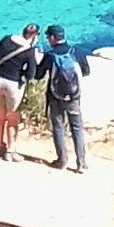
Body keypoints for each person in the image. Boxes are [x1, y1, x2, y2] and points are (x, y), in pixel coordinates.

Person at [0, 25, 37, 158]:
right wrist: (21, 73)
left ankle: (0, 145)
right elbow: (31, 74)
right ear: (34, 36)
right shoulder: (29, 51)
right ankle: (11, 151)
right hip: (13, 85)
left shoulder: (7, 39)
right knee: (12, 119)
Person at [41, 25, 87, 172]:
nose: (48, 40)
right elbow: (86, 71)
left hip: (55, 96)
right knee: (77, 128)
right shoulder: (75, 51)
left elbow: (39, 74)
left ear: (54, 38)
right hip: (73, 96)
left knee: (58, 127)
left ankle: (62, 160)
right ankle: (81, 163)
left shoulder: (50, 55)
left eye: (49, 37)